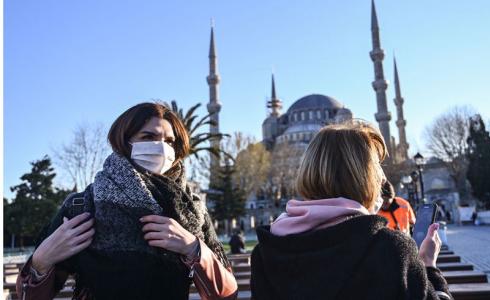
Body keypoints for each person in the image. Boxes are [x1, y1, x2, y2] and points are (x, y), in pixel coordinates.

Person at [17, 102, 238, 299]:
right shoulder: (83, 206)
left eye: (169, 141)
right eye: (148, 137)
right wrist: (40, 261)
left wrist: (193, 249)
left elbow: (227, 293)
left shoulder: (193, 210)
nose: (162, 147)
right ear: (124, 141)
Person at [251, 121, 452, 300]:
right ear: (367, 178)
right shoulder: (391, 249)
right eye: (376, 168)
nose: (381, 178)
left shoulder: (266, 252)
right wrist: (428, 267)